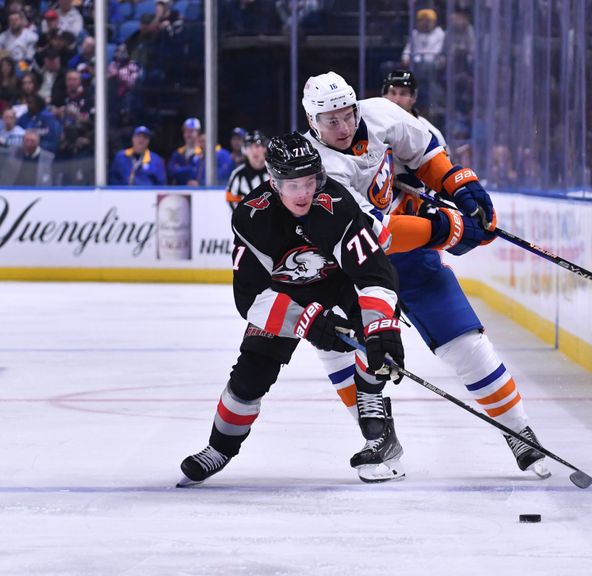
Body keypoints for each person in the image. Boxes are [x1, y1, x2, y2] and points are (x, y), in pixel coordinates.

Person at [302, 71, 551, 478]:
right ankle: (378, 439)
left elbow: (425, 154)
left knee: (465, 342)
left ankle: (519, 430)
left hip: (410, 255)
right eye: (331, 121)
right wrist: (446, 228)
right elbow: (372, 237)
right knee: (341, 351)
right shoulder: (319, 170)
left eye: (347, 114)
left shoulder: (381, 114)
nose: (343, 126)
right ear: (313, 122)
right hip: (350, 268)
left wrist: (459, 184)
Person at [178, 132, 405, 486]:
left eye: (309, 182)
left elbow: (374, 271)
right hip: (285, 295)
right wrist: (309, 324)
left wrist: (383, 329)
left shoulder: (338, 204)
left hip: (339, 284)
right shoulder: (251, 217)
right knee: (250, 376)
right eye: (291, 184)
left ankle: (379, 429)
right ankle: (220, 447)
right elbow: (251, 297)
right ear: (273, 181)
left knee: (374, 336)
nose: (302, 193)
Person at [382, 69, 447, 154]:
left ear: (413, 97)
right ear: (384, 96)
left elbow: (444, 167)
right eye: (393, 93)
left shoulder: (431, 134)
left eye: (403, 94)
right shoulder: (371, 127)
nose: (397, 100)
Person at [224, 129, 268, 210]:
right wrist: (244, 218)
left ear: (264, 148)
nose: (254, 151)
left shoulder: (275, 172)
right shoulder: (238, 174)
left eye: (257, 146)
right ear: (244, 151)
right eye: (250, 146)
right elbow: (230, 199)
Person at [167, 117, 202, 185]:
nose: (188, 134)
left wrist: (180, 168)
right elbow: (171, 171)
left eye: (192, 131)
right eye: (186, 131)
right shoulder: (178, 153)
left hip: (199, 191)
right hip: (180, 190)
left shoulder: (204, 152)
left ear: (198, 133)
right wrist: (190, 169)